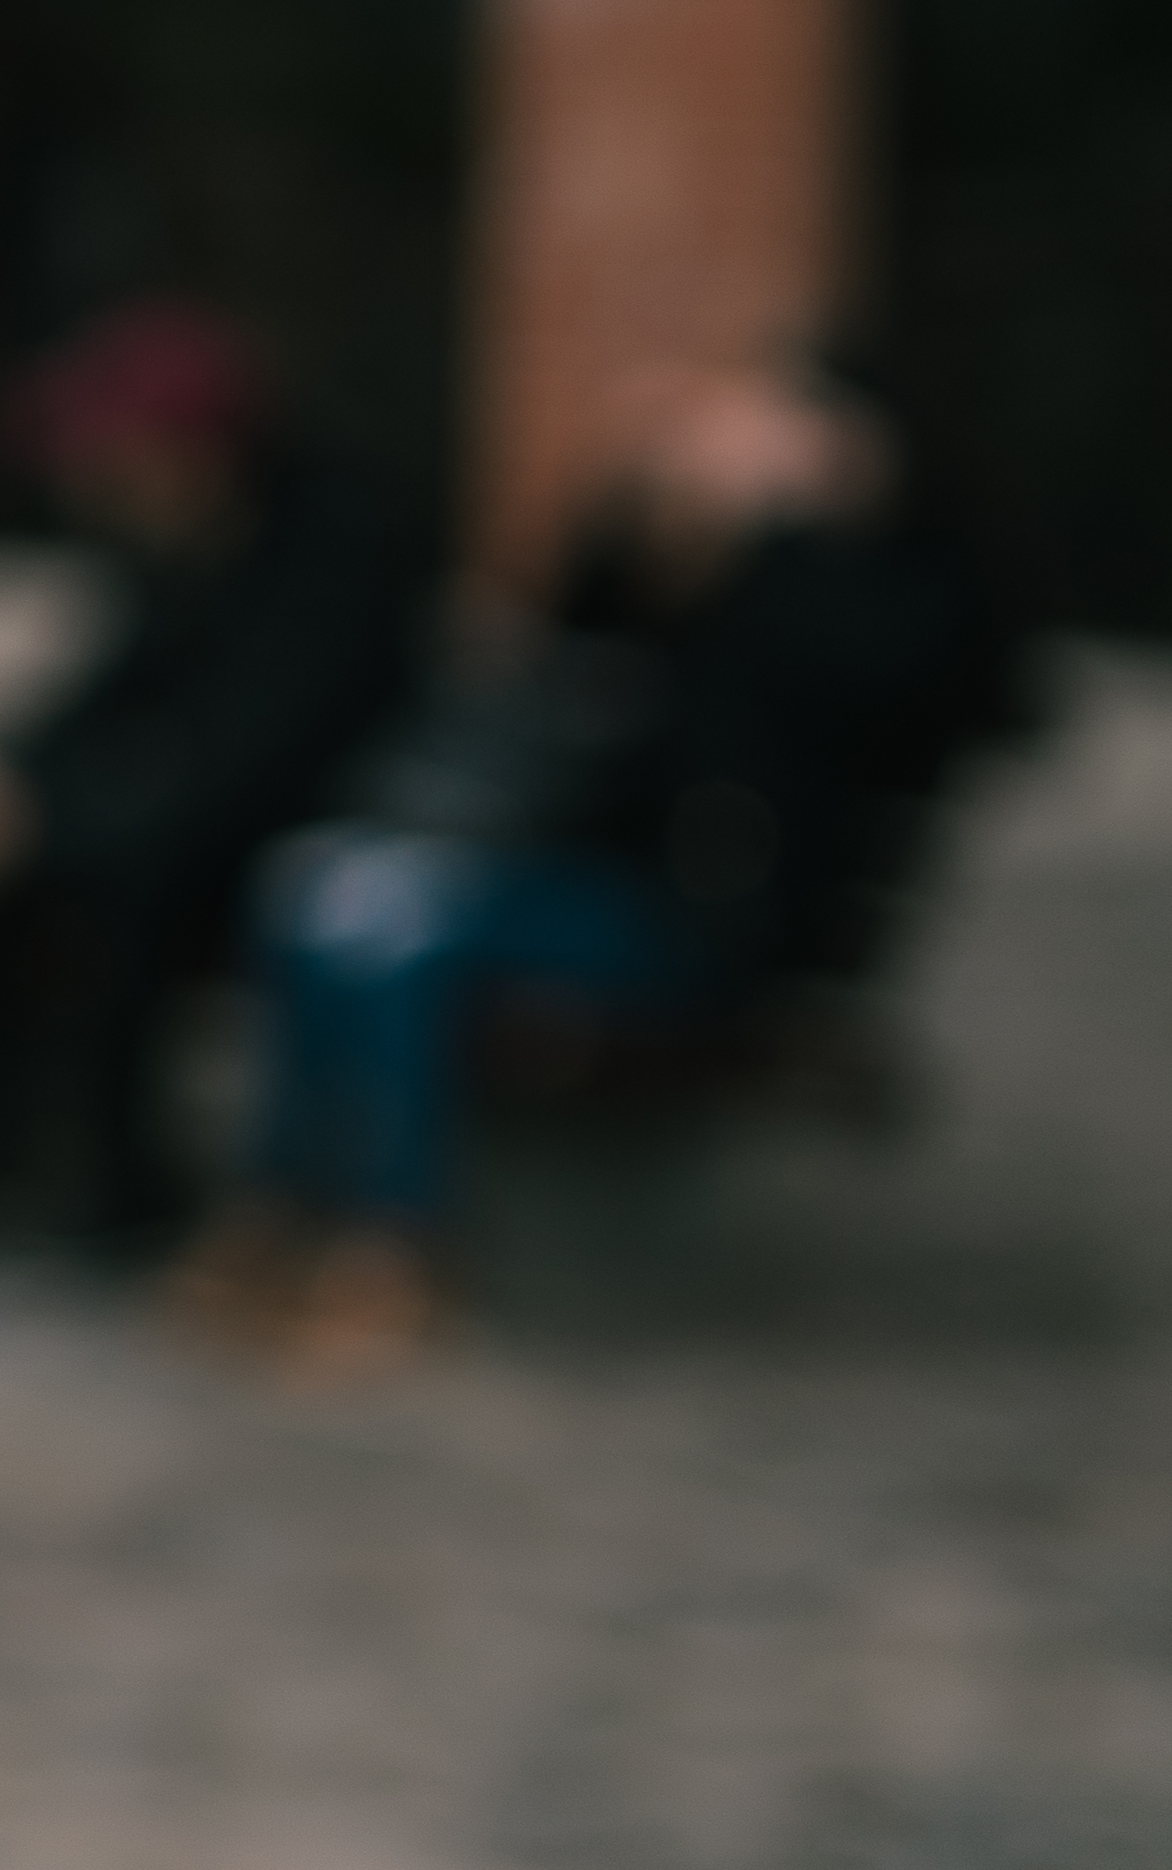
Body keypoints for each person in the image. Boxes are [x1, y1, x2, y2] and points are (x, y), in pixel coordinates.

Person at [191, 347, 1038, 1365]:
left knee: (403, 929)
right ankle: (287, 1208)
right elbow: (572, 644)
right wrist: (640, 508)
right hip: (601, 878)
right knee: (319, 890)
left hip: (726, 921)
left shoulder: (893, 593)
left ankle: (395, 1244)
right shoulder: (701, 566)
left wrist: (770, 541)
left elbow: (793, 714)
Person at [0, 302, 429, 1248]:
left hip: (316, 823)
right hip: (190, 812)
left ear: (191, 453)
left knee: (113, 894)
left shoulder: (335, 543)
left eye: (120, 465)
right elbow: (102, 693)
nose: (100, 491)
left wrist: (44, 822)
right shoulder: (178, 545)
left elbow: (257, 753)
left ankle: (126, 1193)